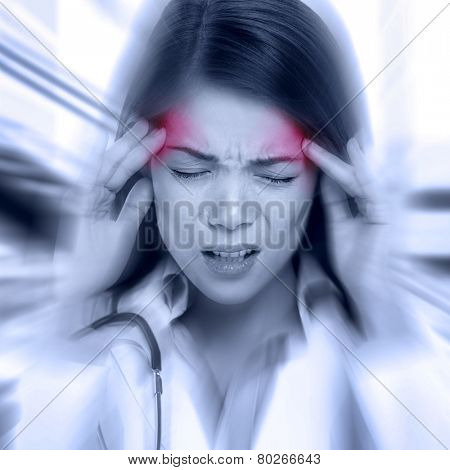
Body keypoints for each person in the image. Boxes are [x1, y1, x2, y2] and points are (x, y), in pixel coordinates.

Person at [10, 0, 449, 450]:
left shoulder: (386, 357)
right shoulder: (95, 353)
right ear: (140, 169)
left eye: (274, 173)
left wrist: (384, 310)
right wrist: (71, 303)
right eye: (190, 170)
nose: (231, 215)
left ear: (330, 178)